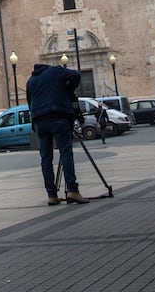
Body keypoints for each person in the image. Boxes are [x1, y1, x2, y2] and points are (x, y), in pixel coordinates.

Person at [26, 60, 89, 206]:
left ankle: (52, 195)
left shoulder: (31, 80)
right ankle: (72, 190)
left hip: (39, 120)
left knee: (46, 157)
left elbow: (30, 102)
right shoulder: (55, 71)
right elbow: (75, 75)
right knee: (65, 152)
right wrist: (67, 89)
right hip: (57, 115)